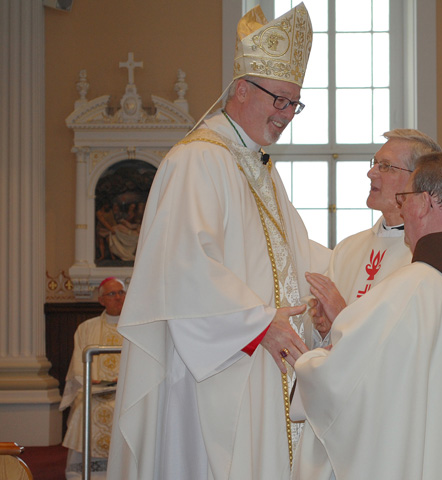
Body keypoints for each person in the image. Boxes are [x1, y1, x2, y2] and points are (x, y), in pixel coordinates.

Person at [107, 4, 330, 480]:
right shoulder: (197, 161)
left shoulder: (257, 166)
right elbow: (183, 268)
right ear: (242, 89)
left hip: (261, 364)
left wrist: (365, 266)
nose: (287, 114)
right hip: (211, 370)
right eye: (279, 100)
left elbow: (297, 254)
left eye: (295, 103)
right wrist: (256, 325)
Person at [291, 152, 442, 479]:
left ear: (426, 203)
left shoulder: (412, 287)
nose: (401, 208)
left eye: (405, 198)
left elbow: (344, 381)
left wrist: (308, 363)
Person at [306, 129, 441, 344]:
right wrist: (324, 330)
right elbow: (327, 343)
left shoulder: (428, 256)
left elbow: (412, 345)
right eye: (375, 162)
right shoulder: (347, 249)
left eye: (386, 166)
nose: (371, 173)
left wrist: (343, 316)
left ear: (418, 181)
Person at [60, 277, 125, 479]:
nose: (118, 298)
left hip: (127, 392)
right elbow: (77, 365)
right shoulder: (87, 328)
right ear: (101, 300)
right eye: (112, 294)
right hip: (94, 390)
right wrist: (90, 381)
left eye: (122, 293)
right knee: (85, 408)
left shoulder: (137, 328)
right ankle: (87, 473)